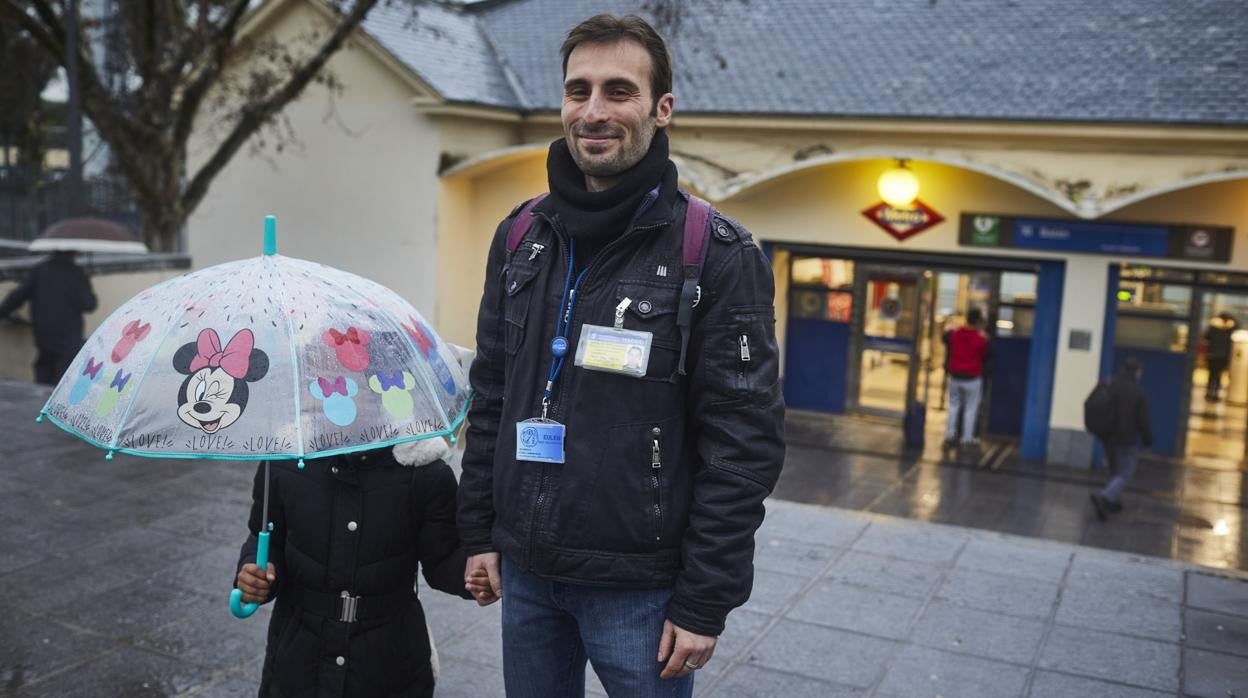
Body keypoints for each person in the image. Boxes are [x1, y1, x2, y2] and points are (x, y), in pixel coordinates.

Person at [457, 14, 785, 697]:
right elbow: (491, 394)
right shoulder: (520, 235)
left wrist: (703, 601)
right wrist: (479, 533)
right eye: (579, 91)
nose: (595, 111)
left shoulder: (717, 254)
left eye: (618, 91)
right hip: (526, 574)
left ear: (662, 109)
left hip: (641, 591)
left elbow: (743, 445)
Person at [233, 438, 474, 697]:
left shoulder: (424, 471)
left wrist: (475, 573)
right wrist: (256, 570)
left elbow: (444, 556)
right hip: (298, 658)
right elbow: (265, 537)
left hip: (388, 662)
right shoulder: (284, 459)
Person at [0, 250, 97, 385]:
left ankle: (41, 399)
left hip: (44, 333)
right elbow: (89, 305)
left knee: (44, 370)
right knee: (64, 377)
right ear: (74, 253)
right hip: (68, 336)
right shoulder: (77, 274)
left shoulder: (39, 270)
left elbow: (18, 296)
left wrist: (2, 312)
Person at [1089, 357, 1153, 521]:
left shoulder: (1110, 384)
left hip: (1108, 437)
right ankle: (1105, 496)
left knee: (1115, 470)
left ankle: (1113, 502)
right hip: (1127, 438)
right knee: (1125, 473)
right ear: (1137, 372)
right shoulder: (1138, 392)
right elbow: (1142, 420)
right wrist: (1147, 439)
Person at [943, 307, 990, 448]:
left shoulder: (956, 334)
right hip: (972, 378)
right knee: (971, 408)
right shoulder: (980, 338)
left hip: (955, 376)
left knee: (953, 406)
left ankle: (950, 435)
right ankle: (966, 438)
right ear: (978, 321)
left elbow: (946, 338)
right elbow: (985, 355)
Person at [1203, 312, 1238, 402]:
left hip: (1212, 354)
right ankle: (1215, 393)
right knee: (1218, 375)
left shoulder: (1213, 327)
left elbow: (1206, 337)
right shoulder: (1230, 329)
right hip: (1223, 356)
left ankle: (1209, 392)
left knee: (1211, 375)